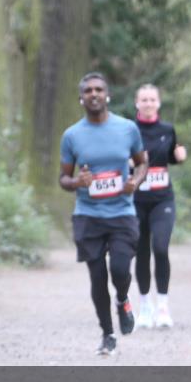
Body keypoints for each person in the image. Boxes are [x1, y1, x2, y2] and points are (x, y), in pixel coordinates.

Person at [59, 73, 148, 356]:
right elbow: (63, 178)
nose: (94, 94)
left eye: (99, 90)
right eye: (88, 90)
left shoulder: (127, 129)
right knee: (97, 278)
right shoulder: (72, 135)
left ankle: (123, 300)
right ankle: (108, 334)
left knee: (120, 270)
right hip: (88, 215)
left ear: (107, 95)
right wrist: (77, 183)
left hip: (122, 213)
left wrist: (136, 180)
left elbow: (142, 162)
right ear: (81, 98)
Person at [132, 84, 187, 329]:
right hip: (136, 200)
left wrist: (179, 157)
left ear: (159, 103)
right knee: (141, 251)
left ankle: (163, 306)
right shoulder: (128, 131)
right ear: (137, 104)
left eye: (152, 99)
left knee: (161, 247)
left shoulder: (167, 129)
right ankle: (145, 306)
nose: (148, 103)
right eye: (144, 99)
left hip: (162, 198)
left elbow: (171, 157)